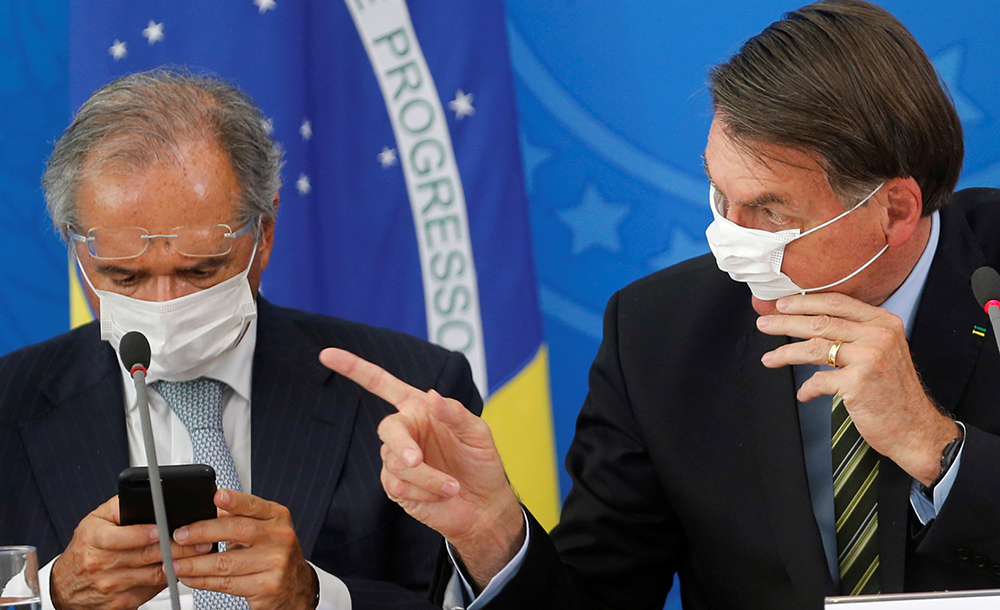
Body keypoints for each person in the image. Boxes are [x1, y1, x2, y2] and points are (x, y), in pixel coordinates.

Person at [321, 1, 1000, 608]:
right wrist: (494, 536)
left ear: (895, 208)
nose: (730, 239)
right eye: (719, 194)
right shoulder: (660, 334)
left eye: (768, 210)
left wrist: (940, 451)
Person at [0, 69, 481, 610]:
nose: (164, 305)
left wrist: (321, 599)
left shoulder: (409, 389)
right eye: (124, 276)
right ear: (77, 250)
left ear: (265, 235)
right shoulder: (7, 402)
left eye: (201, 270)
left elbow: (470, 600)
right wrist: (48, 594)